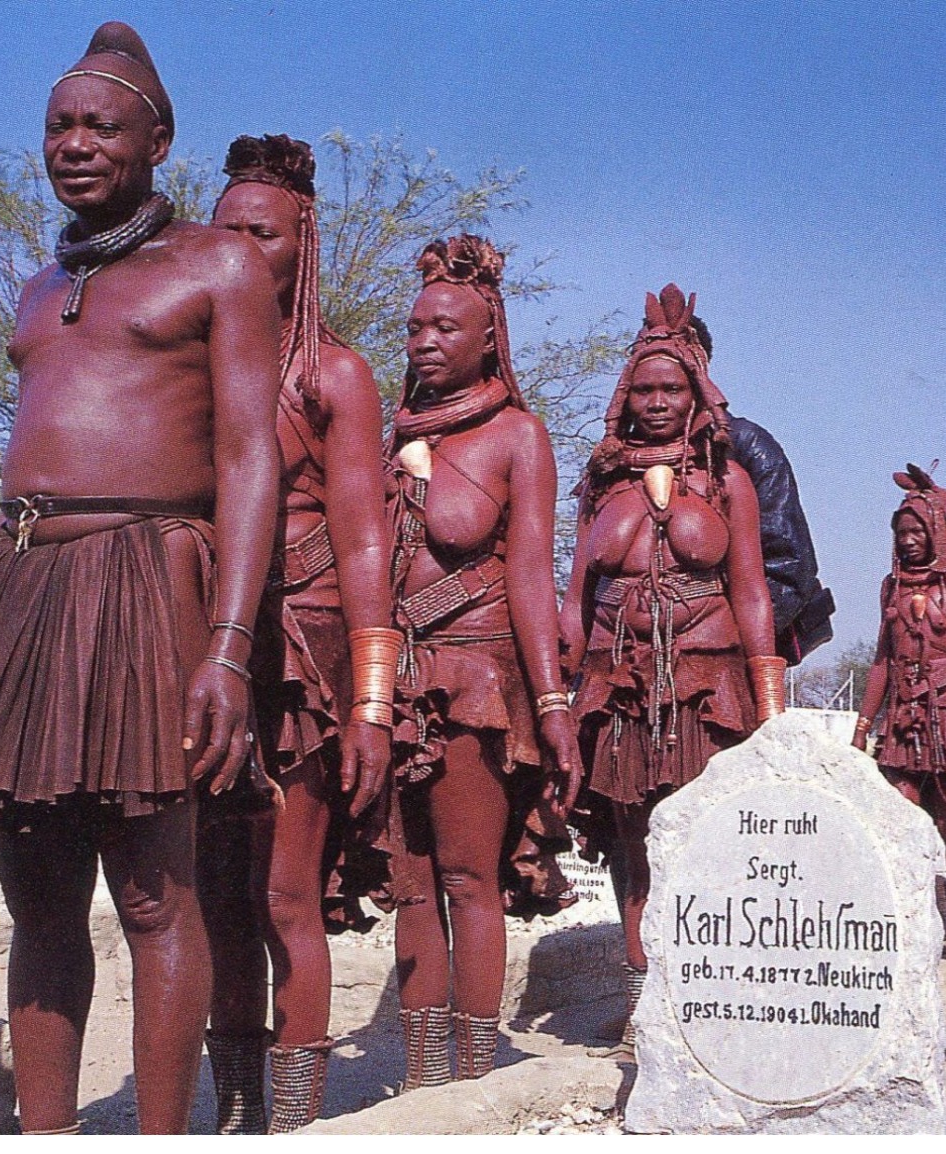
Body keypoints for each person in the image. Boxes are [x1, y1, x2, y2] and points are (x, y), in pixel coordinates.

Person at [0, 23, 281, 1134]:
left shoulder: (219, 263)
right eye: (58, 124)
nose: (73, 142)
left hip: (149, 579)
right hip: (23, 581)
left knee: (157, 892)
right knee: (39, 901)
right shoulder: (35, 285)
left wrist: (228, 645)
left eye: (100, 124)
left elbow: (253, 460)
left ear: (158, 139)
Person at [195, 135, 395, 1132]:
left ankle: (298, 1117)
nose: (236, 246)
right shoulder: (182, 359)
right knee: (208, 897)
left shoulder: (335, 377)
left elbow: (365, 545)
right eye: (223, 228)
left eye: (259, 232)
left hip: (304, 665)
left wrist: (369, 705)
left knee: (282, 893)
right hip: (200, 657)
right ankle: (234, 1110)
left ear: (301, 241)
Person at [562, 283, 784, 1049]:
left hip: (707, 681)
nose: (656, 402)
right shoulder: (597, 484)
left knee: (706, 838)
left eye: (672, 388)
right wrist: (563, 698)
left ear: (695, 395)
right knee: (630, 840)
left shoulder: (730, 482)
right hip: (620, 682)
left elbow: (752, 592)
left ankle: (712, 998)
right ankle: (641, 1003)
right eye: (645, 389)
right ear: (626, 396)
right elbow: (575, 593)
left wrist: (770, 707)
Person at [380, 235, 580, 1087]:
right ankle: (423, 1077)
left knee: (467, 876)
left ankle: (470, 1076)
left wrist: (554, 703)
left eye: (444, 328)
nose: (424, 341)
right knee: (410, 879)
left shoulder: (517, 436)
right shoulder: (383, 434)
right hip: (391, 682)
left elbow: (533, 577)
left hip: (476, 678)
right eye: (415, 327)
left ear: (486, 338)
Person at [853, 464, 946, 953]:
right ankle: (915, 917)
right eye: (902, 532)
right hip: (903, 715)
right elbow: (881, 661)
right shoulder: (891, 586)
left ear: (936, 531)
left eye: (918, 530)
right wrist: (861, 727)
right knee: (901, 813)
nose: (910, 540)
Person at [679, 315, 834, 665]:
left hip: (720, 650)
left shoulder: (747, 446)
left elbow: (788, 564)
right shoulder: (618, 457)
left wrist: (732, 645)